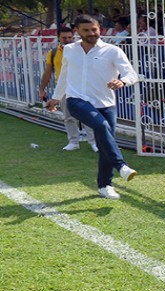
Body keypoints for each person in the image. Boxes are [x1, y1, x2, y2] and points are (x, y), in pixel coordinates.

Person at [45, 15, 139, 200]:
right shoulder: (69, 50)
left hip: (106, 103)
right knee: (101, 127)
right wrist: (56, 99)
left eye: (94, 29)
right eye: (86, 30)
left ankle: (105, 185)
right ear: (77, 31)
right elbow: (64, 76)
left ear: (100, 29)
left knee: (105, 142)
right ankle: (121, 166)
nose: (91, 33)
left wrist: (122, 81)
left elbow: (131, 74)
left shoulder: (113, 51)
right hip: (77, 100)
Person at [38, 26, 98, 152]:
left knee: (88, 115)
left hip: (82, 87)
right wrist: (42, 89)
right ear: (58, 38)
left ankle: (93, 142)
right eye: (64, 37)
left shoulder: (82, 50)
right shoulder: (53, 53)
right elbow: (48, 72)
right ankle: (73, 142)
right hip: (64, 88)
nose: (67, 40)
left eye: (70, 37)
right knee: (68, 116)